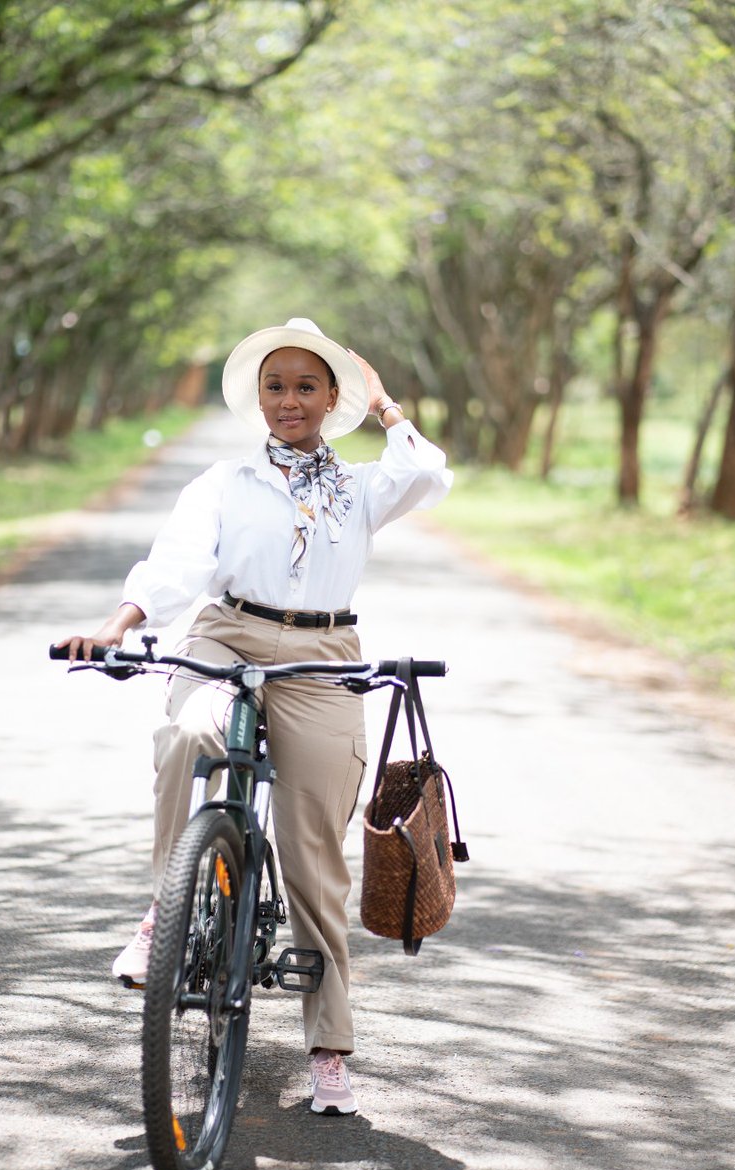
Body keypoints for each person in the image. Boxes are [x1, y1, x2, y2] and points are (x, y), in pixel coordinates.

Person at [57, 317, 451, 1116]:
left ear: (332, 398)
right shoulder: (224, 483)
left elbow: (427, 472)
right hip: (228, 634)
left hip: (323, 653)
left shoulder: (361, 488)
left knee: (313, 859)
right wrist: (118, 625)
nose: (289, 400)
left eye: (307, 386)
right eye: (276, 386)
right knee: (192, 734)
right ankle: (166, 913)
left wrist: (384, 405)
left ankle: (329, 1048)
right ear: (259, 398)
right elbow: (176, 564)